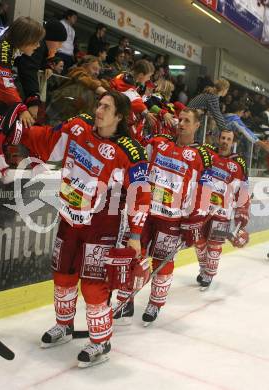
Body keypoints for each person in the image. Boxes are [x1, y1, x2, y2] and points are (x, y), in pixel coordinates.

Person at [0, 91, 151, 366]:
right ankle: (64, 326)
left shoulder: (129, 151)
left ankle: (100, 342)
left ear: (119, 116)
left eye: (106, 108)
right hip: (68, 217)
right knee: (63, 275)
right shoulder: (78, 128)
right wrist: (13, 132)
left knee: (93, 285)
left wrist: (135, 235)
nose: (98, 110)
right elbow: (46, 141)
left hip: (102, 224)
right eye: (98, 104)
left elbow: (141, 194)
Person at [114, 108, 213, 326]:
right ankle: (124, 302)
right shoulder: (158, 142)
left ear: (197, 126)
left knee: (163, 262)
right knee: (130, 254)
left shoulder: (201, 156)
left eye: (188, 121)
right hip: (145, 213)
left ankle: (155, 304)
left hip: (172, 219)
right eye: (181, 119)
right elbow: (137, 164)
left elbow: (204, 193)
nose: (182, 123)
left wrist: (193, 222)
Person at [195, 129, 250, 288]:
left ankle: (209, 273)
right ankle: (203, 267)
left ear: (233, 142)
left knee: (214, 243)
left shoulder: (239, 162)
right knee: (199, 241)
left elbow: (243, 188)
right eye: (223, 138)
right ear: (218, 139)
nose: (225, 141)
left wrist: (243, 208)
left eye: (228, 139)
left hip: (223, 211)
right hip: (202, 208)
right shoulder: (207, 153)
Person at [14, 17, 68, 123]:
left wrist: (46, 66)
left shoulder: (41, 47)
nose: (60, 46)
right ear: (50, 38)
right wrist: (33, 100)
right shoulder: (39, 45)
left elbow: (36, 62)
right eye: (59, 42)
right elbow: (29, 69)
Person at [46, 55, 108, 123]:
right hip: (56, 116)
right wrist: (102, 91)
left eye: (98, 70)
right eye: (94, 68)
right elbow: (82, 76)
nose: (97, 73)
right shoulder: (77, 71)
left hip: (72, 120)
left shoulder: (94, 80)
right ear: (84, 66)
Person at [110, 59, 157, 141]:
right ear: (141, 75)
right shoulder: (127, 81)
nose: (149, 79)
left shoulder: (126, 76)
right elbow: (134, 99)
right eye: (148, 76)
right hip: (111, 114)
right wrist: (146, 113)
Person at [224, 101, 269, 166]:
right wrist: (260, 143)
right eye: (242, 112)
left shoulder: (225, 116)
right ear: (240, 111)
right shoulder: (234, 118)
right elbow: (246, 131)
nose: (242, 115)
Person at [58, 9, 77, 74]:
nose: (75, 20)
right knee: (58, 72)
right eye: (74, 17)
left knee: (65, 74)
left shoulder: (73, 30)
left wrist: (72, 55)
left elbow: (71, 43)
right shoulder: (61, 24)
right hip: (60, 52)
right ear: (69, 17)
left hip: (69, 55)